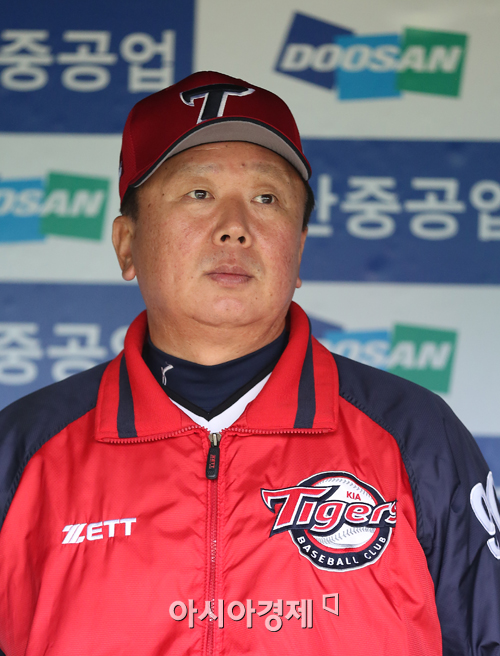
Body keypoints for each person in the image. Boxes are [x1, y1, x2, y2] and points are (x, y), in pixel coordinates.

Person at [0, 70, 499, 656]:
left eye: (267, 198)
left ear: (299, 247)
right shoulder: (24, 449)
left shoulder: (415, 436)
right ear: (127, 243)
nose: (235, 229)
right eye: (198, 194)